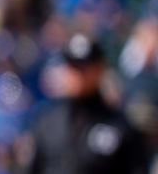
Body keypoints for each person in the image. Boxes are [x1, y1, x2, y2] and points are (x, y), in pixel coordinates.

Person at [25, 33, 150, 174]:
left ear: (99, 69)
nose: (76, 74)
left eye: (83, 67)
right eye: (72, 66)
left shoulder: (119, 127)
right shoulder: (46, 122)